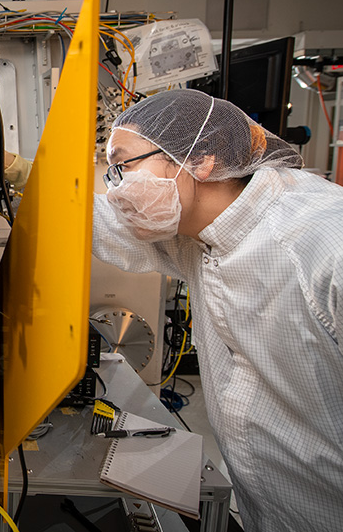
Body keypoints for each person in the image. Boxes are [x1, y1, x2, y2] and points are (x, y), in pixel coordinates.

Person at [92, 88, 343, 532]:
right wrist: (6, 168)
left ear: (202, 159)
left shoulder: (324, 242)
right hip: (269, 511)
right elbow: (84, 216)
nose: (116, 192)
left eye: (124, 167)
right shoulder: (197, 231)